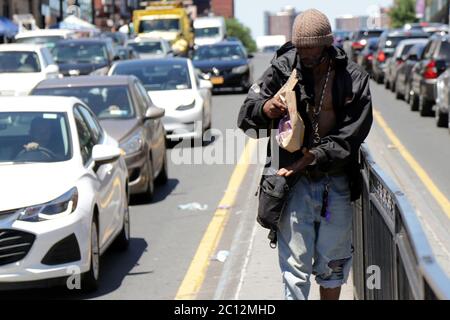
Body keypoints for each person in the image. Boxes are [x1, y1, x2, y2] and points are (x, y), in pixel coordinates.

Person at [237, 9, 373, 300]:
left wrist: (313, 156)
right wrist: (265, 108)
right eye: (300, 49)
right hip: (292, 182)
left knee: (332, 264)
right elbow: (245, 117)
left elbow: (353, 134)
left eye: (311, 50)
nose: (305, 56)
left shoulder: (352, 77)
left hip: (335, 181)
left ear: (326, 44)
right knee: (294, 268)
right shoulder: (284, 67)